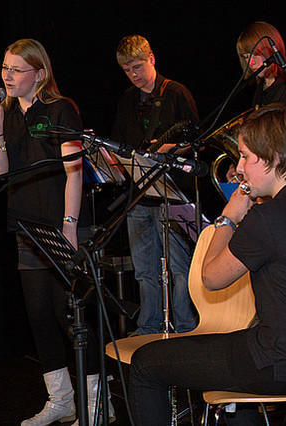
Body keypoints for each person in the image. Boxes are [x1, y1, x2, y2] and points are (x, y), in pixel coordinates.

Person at [127, 104, 286, 425]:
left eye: (247, 156)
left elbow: (211, 277)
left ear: (275, 158)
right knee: (235, 362)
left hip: (284, 366)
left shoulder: (267, 218)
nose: (239, 168)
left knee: (144, 364)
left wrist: (229, 217)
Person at [0, 38, 113, 425]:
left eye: (16, 69)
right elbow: (0, 172)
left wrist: (70, 226)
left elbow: (74, 172)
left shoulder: (60, 109)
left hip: (62, 224)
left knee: (71, 316)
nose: (7, 76)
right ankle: (62, 400)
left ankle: (98, 402)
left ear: (39, 73)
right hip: (26, 226)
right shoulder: (6, 113)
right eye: (4, 68)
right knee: (39, 315)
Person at [111, 34, 199, 335]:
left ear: (151, 59)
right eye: (126, 70)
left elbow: (196, 144)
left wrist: (170, 150)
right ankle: (148, 327)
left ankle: (186, 327)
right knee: (145, 271)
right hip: (138, 195)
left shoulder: (176, 93)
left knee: (179, 267)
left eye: (137, 66)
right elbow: (121, 144)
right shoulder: (126, 100)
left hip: (173, 194)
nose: (133, 75)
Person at [236, 21, 286, 108]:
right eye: (246, 57)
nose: (251, 62)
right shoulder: (261, 88)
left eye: (256, 54)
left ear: (270, 51)